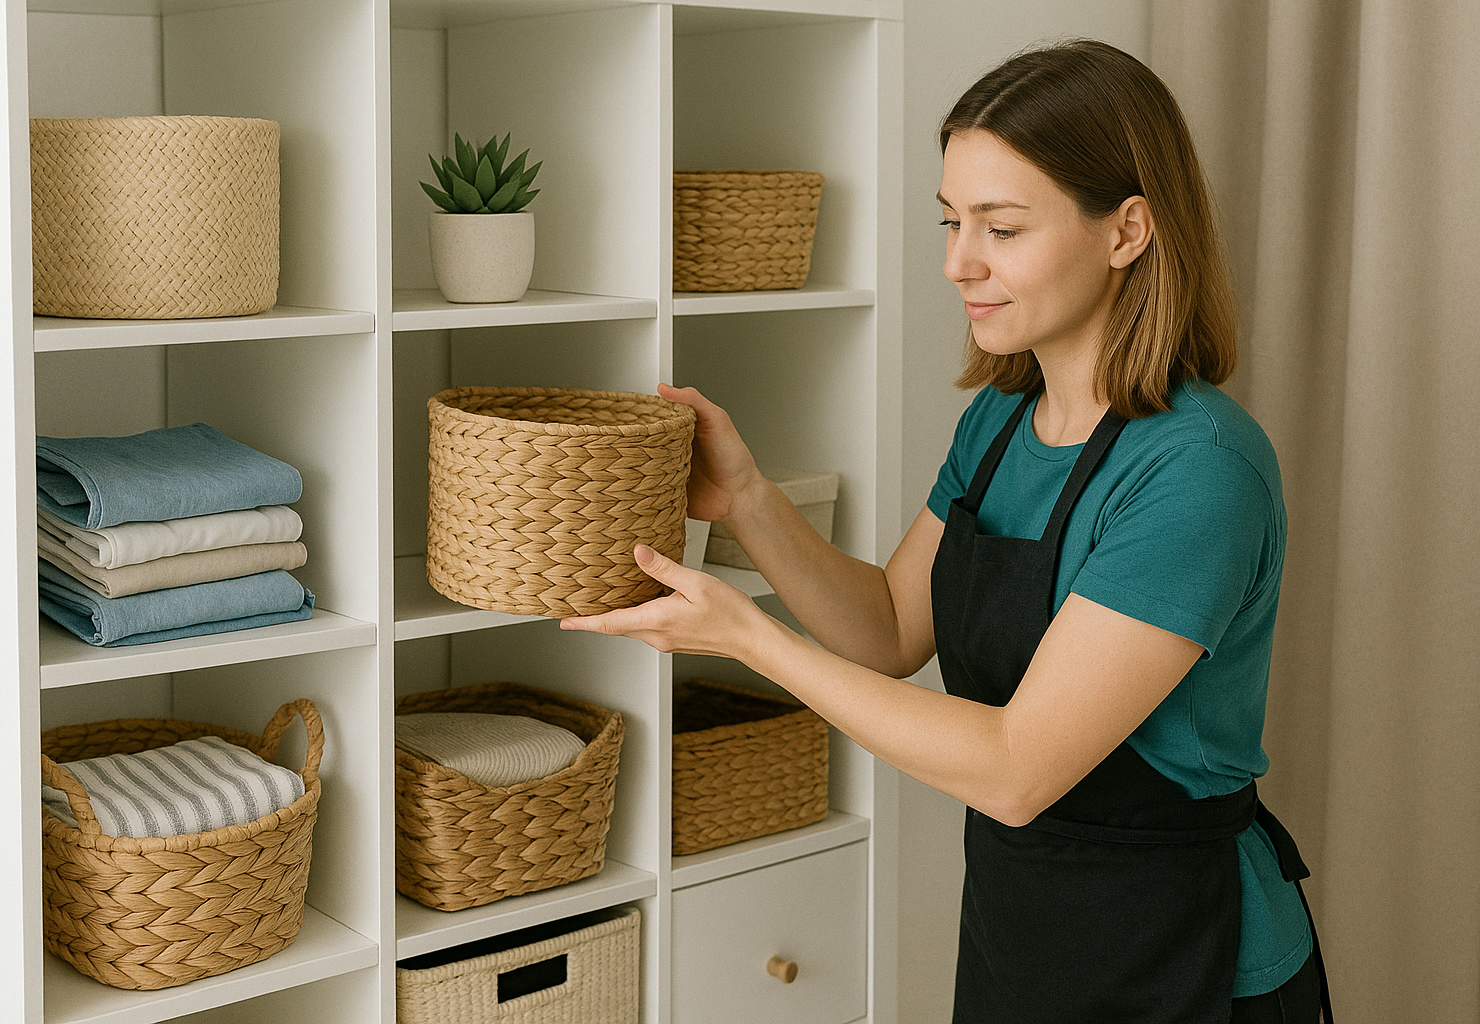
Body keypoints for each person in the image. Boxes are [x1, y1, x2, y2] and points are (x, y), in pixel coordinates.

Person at [562, 39, 1330, 1024]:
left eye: (1000, 227)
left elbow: (1016, 768)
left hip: (1189, 958)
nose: (957, 261)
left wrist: (750, 639)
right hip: (1025, 933)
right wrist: (749, 499)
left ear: (1127, 229)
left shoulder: (1198, 472)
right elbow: (887, 628)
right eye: (951, 220)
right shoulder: (1001, 423)